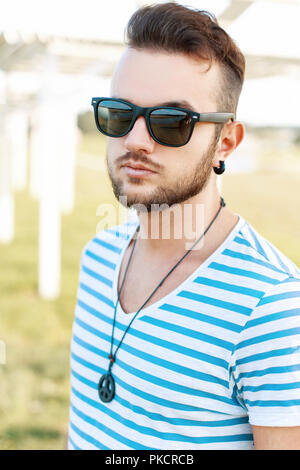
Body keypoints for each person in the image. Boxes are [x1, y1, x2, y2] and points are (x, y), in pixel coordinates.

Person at [67, 2, 300, 450]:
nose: (135, 140)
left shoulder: (272, 308)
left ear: (225, 142)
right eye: (119, 114)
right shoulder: (97, 258)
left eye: (172, 122)